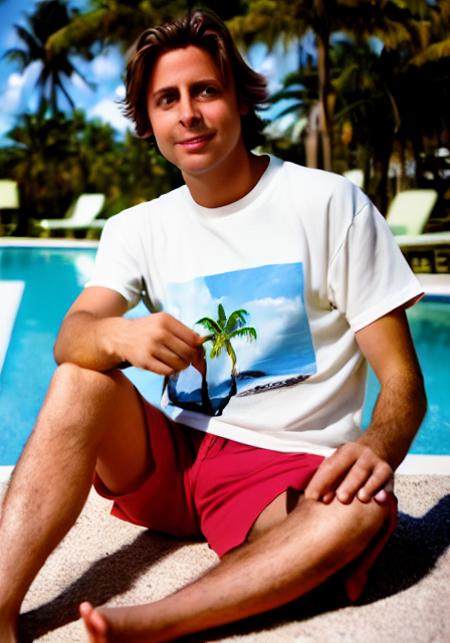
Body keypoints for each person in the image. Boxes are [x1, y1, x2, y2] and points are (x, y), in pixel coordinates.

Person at [0, 9, 426, 643]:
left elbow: (405, 385)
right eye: (166, 100)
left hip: (284, 475)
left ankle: (150, 623)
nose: (188, 114)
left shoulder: (327, 203)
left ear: (238, 99)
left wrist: (377, 448)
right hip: (175, 459)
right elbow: (72, 336)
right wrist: (120, 335)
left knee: (360, 510)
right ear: (149, 123)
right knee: (78, 378)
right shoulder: (138, 226)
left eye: (205, 90)